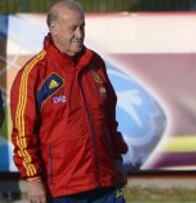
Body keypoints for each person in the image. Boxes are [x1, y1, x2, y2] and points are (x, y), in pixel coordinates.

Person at [10, 1, 128, 202]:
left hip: (105, 183)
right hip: (64, 190)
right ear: (53, 28)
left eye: (82, 26)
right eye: (73, 28)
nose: (80, 34)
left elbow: (108, 119)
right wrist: (33, 179)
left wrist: (117, 158)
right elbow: (23, 133)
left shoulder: (95, 63)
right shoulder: (33, 74)